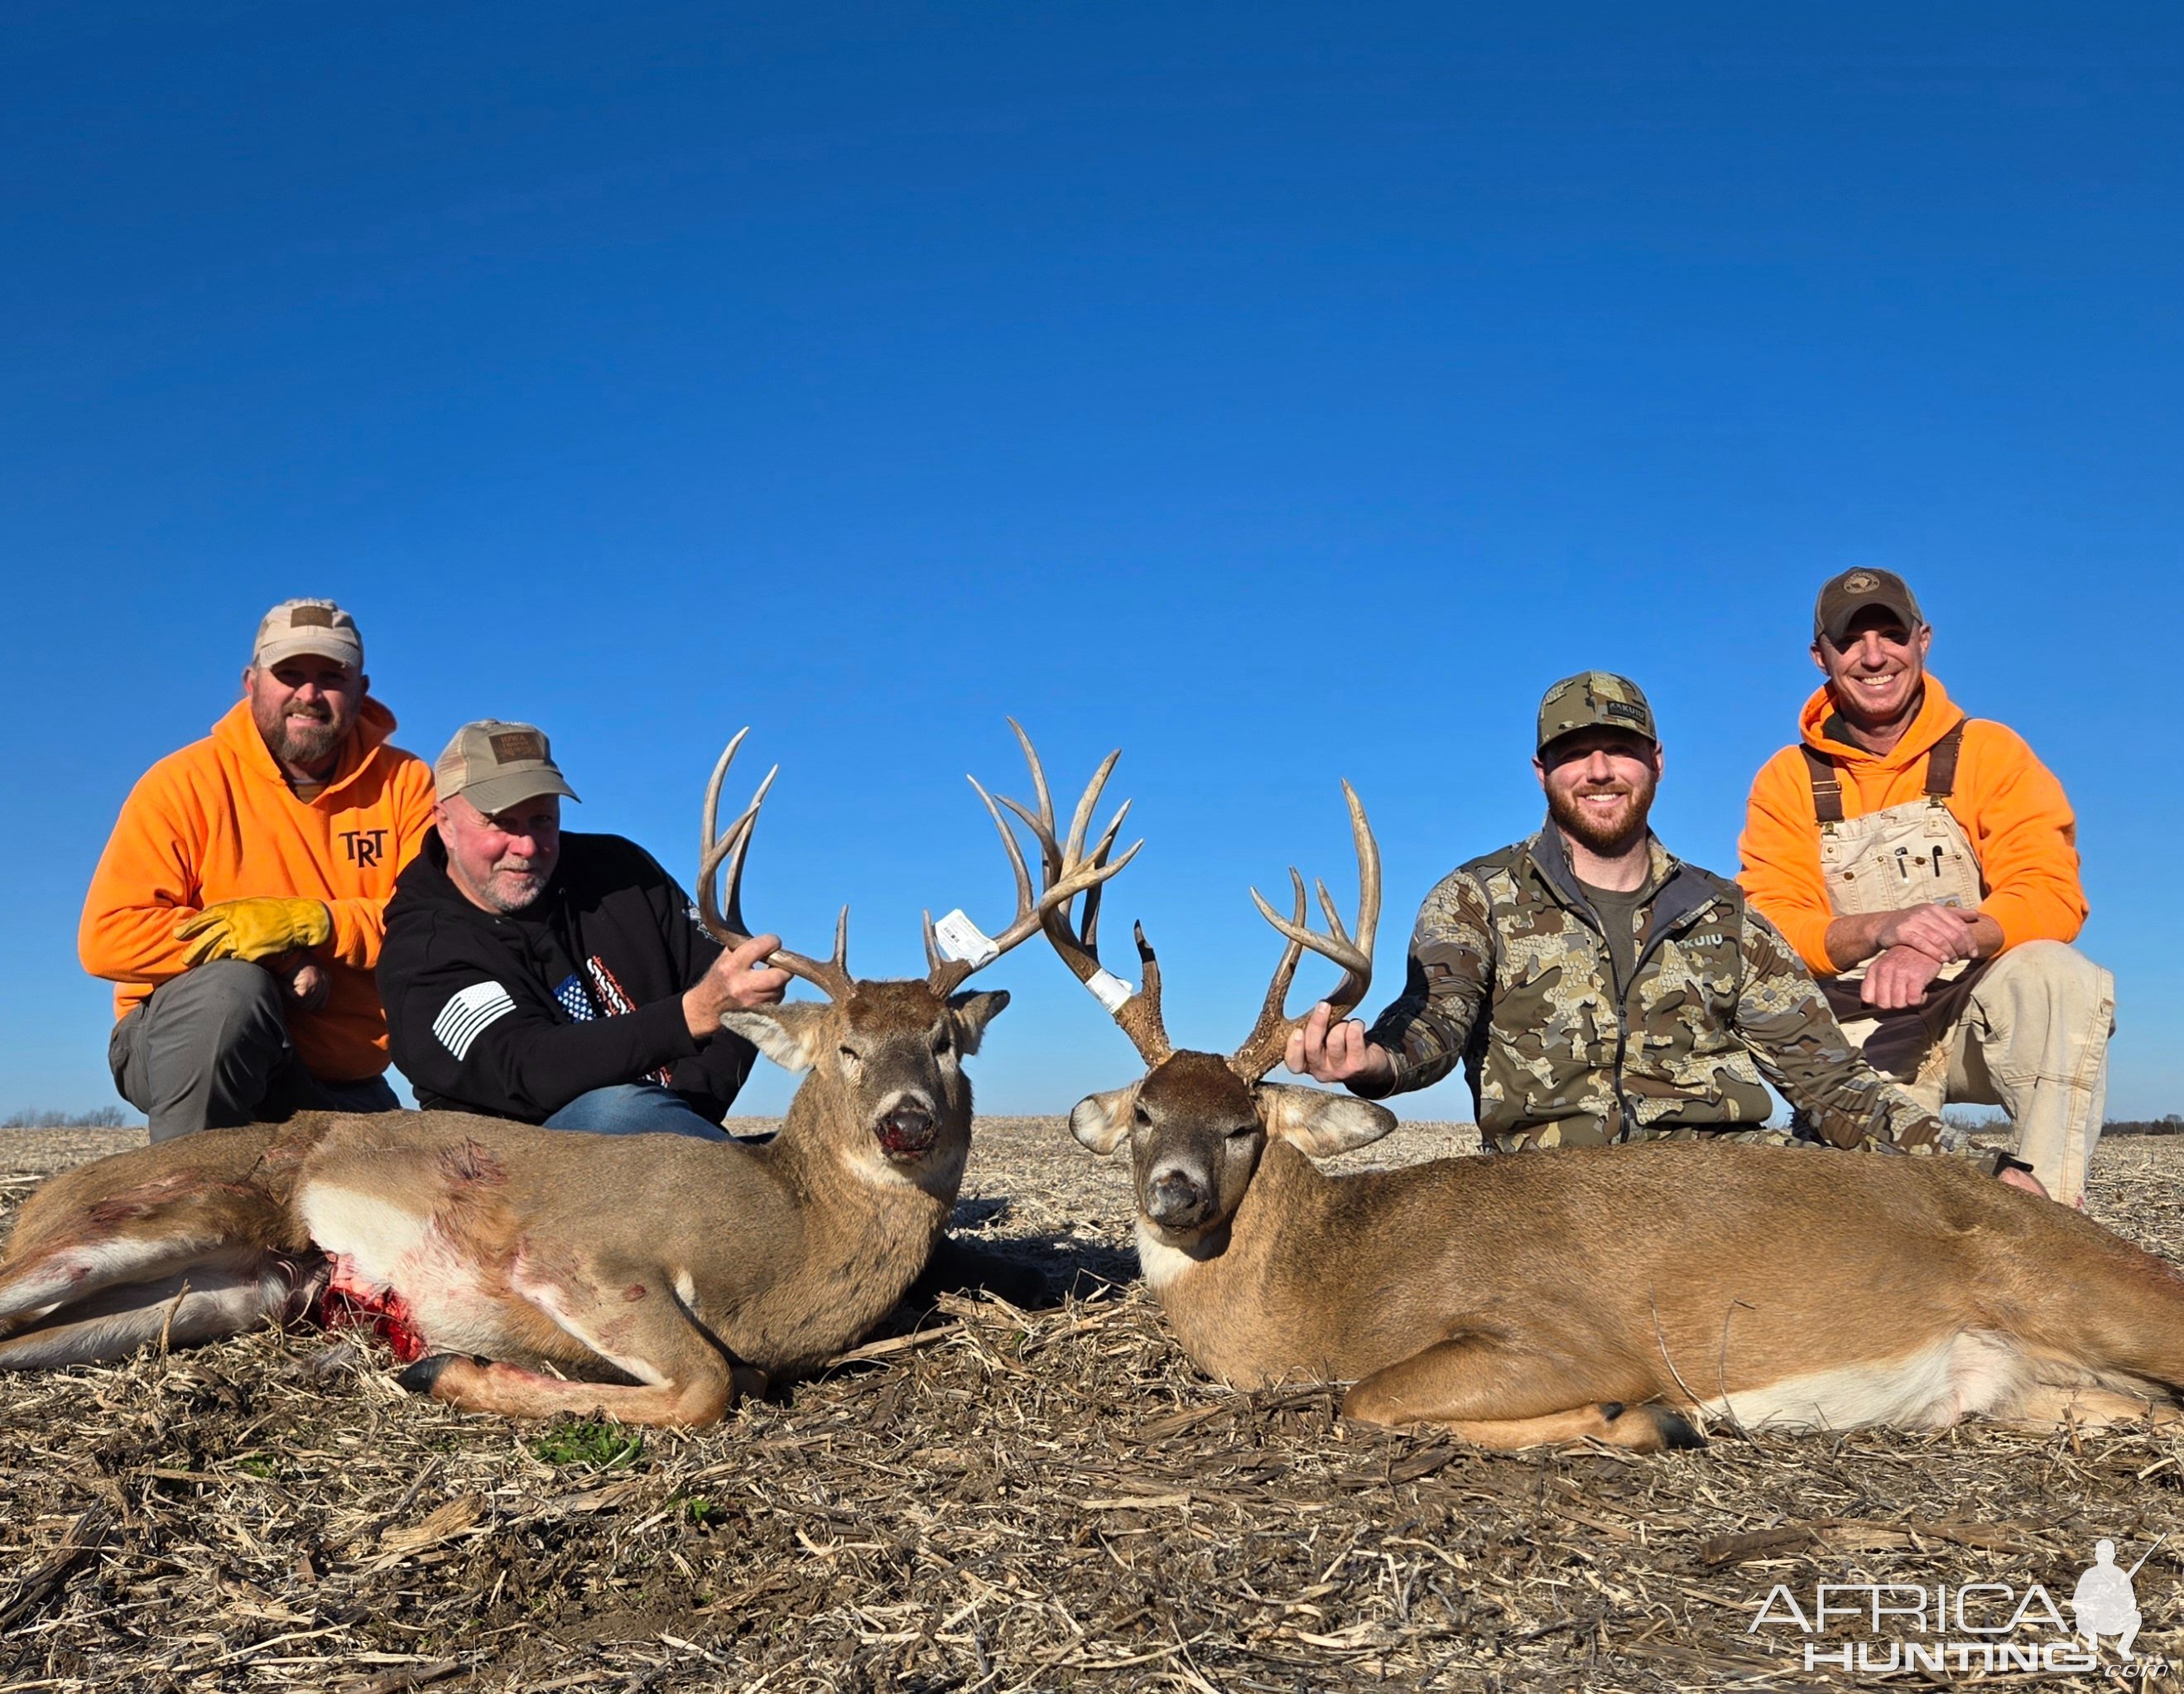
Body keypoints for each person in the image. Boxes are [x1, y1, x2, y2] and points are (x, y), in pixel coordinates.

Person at [1287, 671, 1970, 1162]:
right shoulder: (1476, 898)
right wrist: (1371, 1062)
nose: (1599, 770)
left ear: (1657, 762)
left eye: (1620, 749)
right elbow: (1434, 1021)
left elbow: (1831, 1085)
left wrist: (1982, 1173)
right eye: (1573, 754)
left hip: (1721, 1194)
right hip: (1549, 1201)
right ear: (1540, 771)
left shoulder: (1724, 916)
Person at [1738, 569, 2113, 1206]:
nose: (1875, 655)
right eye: (1852, 641)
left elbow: (2048, 889)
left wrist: (1936, 943)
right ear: (1820, 656)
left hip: (1978, 1018)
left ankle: (2051, 1217)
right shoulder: (1787, 779)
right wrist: (1881, 930)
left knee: (2059, 974)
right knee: (1899, 1213)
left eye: (1892, 633)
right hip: (1863, 1031)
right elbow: (1770, 926)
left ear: (1924, 640)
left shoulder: (1990, 751)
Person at [80, 599, 435, 1140]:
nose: (309, 695)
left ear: (362, 688)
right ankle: (187, 1187)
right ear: (251, 682)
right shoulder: (181, 783)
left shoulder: (407, 783)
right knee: (231, 991)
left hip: (341, 1074)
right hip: (181, 1051)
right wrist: (277, 957)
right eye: (289, 674)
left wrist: (317, 923)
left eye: (331, 676)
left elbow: (428, 923)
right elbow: (109, 937)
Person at [377, 719, 788, 1137]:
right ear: (444, 822)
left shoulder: (622, 872)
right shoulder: (423, 951)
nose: (527, 847)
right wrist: (691, 1016)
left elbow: (728, 986)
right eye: (501, 823)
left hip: (674, 1134)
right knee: (617, 1112)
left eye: (541, 819)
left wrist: (688, 1113)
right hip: (515, 1166)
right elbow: (526, 1068)